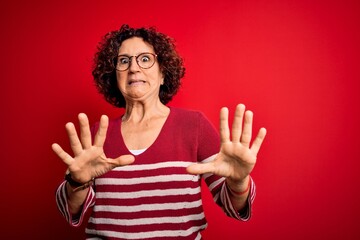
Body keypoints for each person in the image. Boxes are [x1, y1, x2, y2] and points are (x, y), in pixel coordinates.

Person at [53, 24, 267, 240]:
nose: (133, 68)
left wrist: (239, 182)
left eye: (145, 59)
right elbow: (70, 210)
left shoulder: (194, 126)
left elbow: (234, 206)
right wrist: (77, 182)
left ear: (163, 73)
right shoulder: (98, 135)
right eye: (123, 60)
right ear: (113, 76)